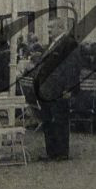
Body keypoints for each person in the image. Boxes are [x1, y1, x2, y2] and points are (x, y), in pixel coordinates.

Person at [32, 32, 84, 161]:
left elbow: (72, 67)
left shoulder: (68, 43)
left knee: (60, 119)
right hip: (47, 89)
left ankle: (61, 152)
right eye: (48, 28)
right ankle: (51, 151)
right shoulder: (53, 44)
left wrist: (68, 88)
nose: (49, 31)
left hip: (59, 88)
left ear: (60, 28)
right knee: (48, 120)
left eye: (51, 28)